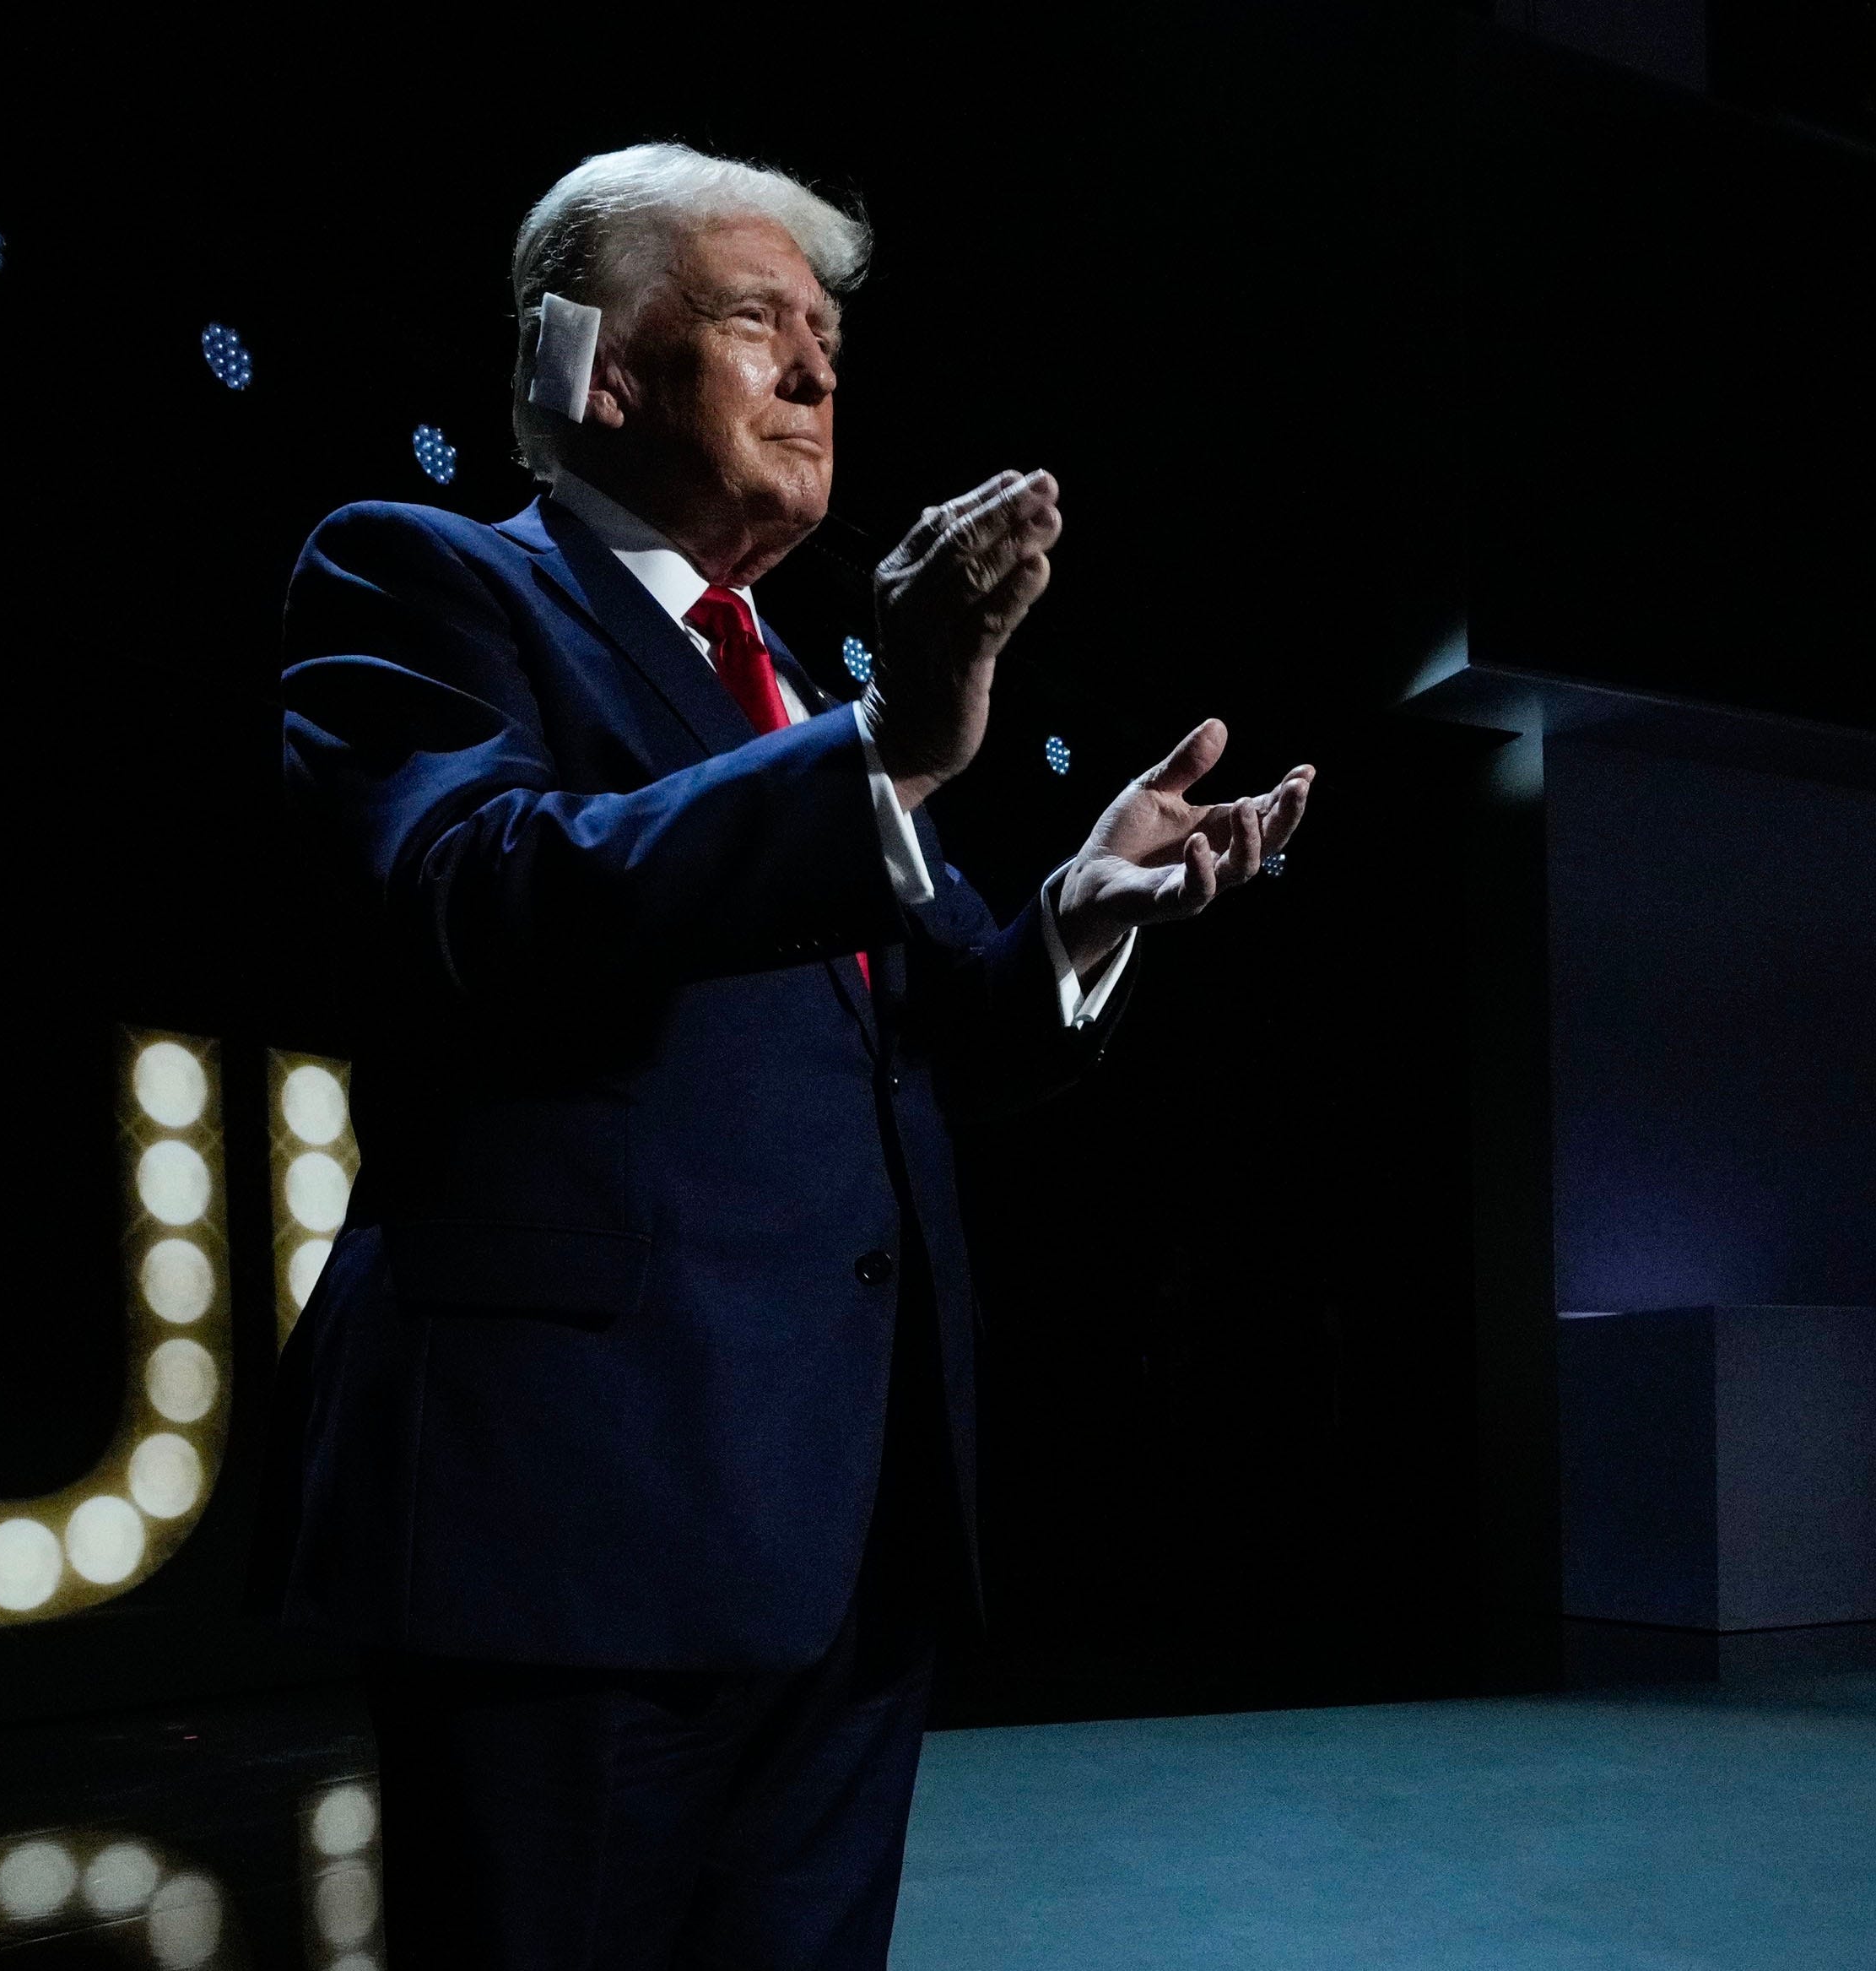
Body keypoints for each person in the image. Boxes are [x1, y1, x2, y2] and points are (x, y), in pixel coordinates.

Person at [273, 142, 1312, 1968]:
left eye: (829, 336)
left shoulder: (794, 689)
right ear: (595, 366)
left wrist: (1077, 912)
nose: (819, 371)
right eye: (758, 320)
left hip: (844, 1533)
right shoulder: (422, 575)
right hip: (573, 1531)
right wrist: (883, 747)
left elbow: (927, 1048)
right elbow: (471, 894)